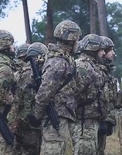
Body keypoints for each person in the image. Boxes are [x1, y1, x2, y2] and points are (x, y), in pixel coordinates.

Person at [29, 20, 81, 155]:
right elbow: (45, 91)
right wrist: (37, 114)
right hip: (54, 116)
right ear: (72, 40)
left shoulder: (63, 60)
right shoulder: (58, 62)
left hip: (60, 114)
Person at [73, 34, 107, 155]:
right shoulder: (82, 66)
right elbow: (75, 93)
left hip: (91, 120)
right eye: (101, 50)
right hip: (84, 121)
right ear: (93, 50)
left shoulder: (92, 66)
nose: (103, 53)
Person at [15, 42, 48, 155]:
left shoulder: (20, 72)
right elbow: (27, 99)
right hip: (31, 122)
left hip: (25, 120)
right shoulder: (30, 73)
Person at [97, 35, 122, 155]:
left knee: (100, 149)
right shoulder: (97, 70)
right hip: (95, 119)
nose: (113, 53)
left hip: (103, 118)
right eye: (110, 50)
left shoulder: (106, 70)